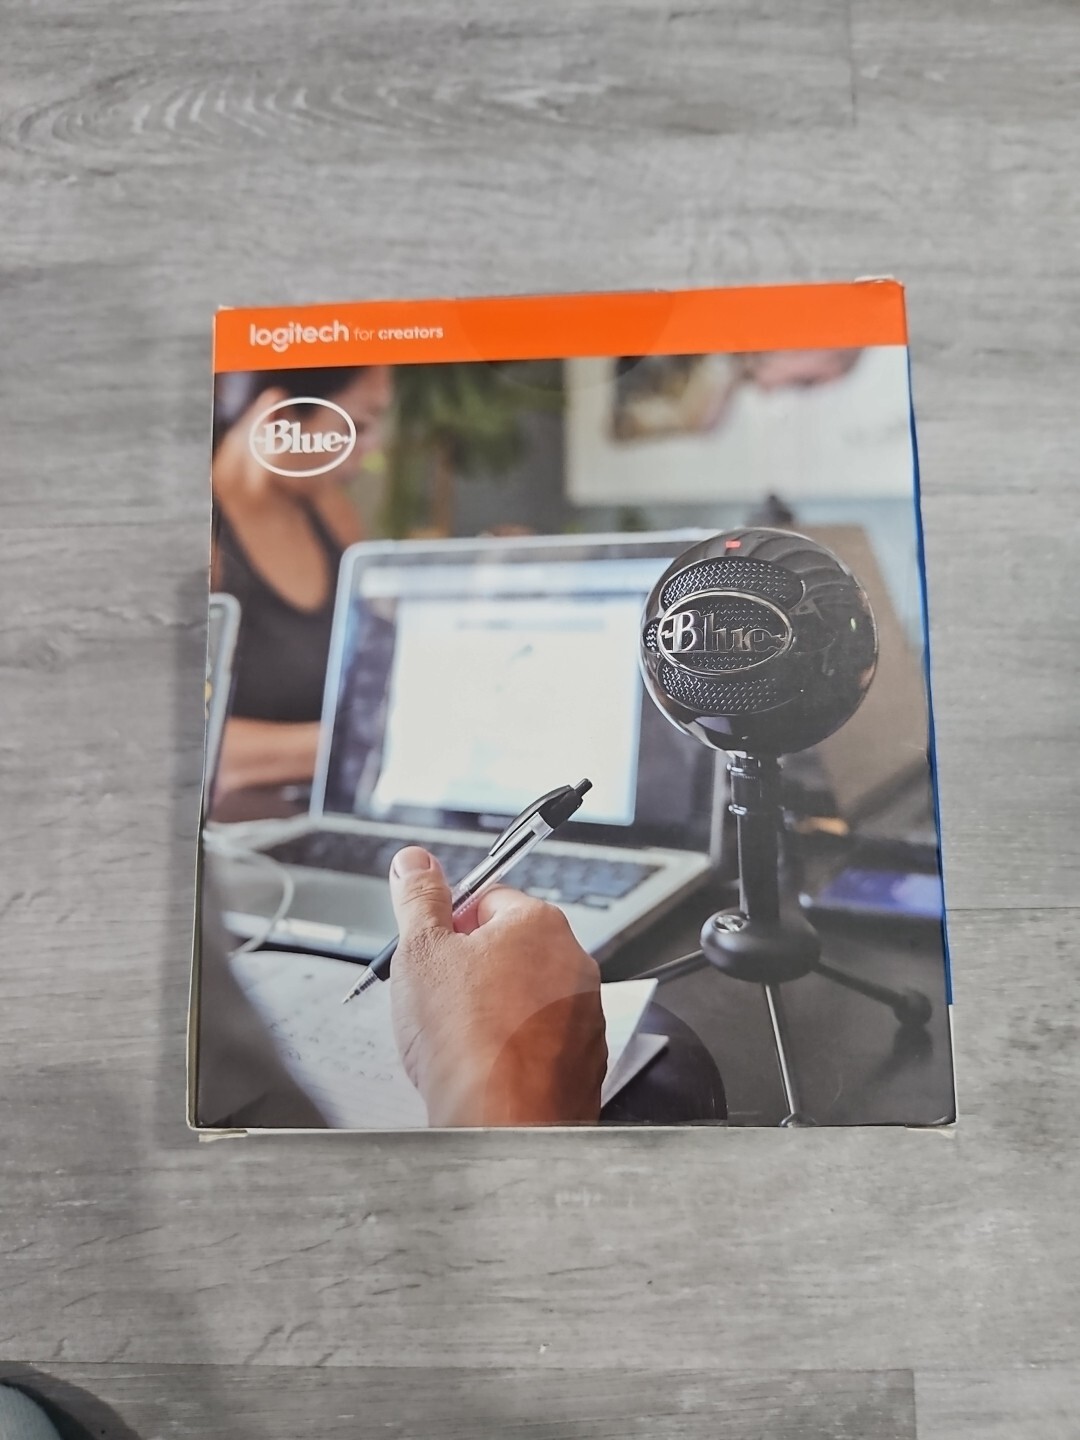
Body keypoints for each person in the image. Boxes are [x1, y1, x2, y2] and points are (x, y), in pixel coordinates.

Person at [210, 365, 392, 802]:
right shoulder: (204, 542)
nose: (372, 447)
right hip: (242, 827)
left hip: (331, 808)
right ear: (279, 420)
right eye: (356, 426)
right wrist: (369, 740)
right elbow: (192, 744)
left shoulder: (333, 513)